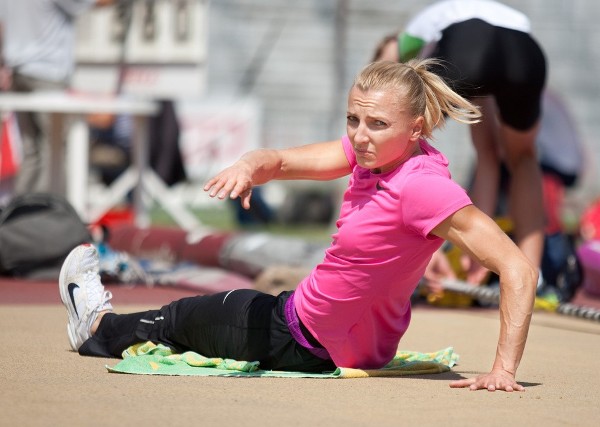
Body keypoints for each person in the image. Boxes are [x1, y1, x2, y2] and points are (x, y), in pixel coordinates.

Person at [59, 59, 537, 391]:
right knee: (208, 314)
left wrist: (502, 369)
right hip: (330, 336)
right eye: (353, 119)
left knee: (179, 320)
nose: (359, 136)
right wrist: (249, 166)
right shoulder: (375, 155)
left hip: (301, 340)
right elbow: (283, 162)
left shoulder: (423, 188)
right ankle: (104, 325)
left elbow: (518, 269)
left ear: (416, 128)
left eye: (376, 124)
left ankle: (94, 327)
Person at [375, 0, 547, 285]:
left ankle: (394, 253)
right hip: (524, 54)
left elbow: (387, 62)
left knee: (394, 145)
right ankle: (530, 278)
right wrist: (475, 250)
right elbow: (487, 157)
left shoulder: (416, 29)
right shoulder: (487, 14)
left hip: (469, 49)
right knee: (524, 159)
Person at [0, 0, 114, 194]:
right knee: (55, 149)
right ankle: (49, 212)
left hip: (18, 72)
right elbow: (93, 3)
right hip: (48, 73)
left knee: (32, 150)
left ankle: (22, 214)